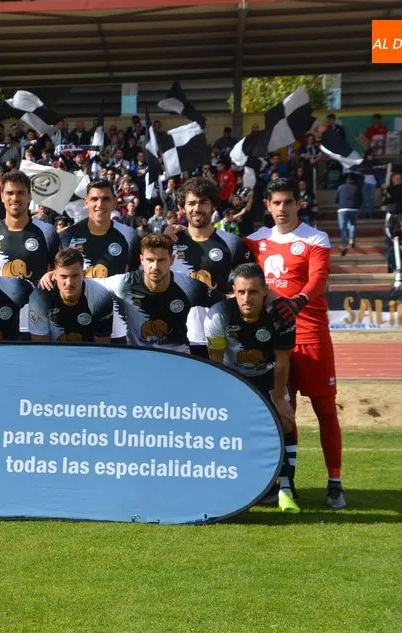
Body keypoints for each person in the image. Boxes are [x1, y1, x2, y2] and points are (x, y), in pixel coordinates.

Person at [244, 178, 346, 509]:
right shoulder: (255, 241)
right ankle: (288, 484)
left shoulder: (315, 238)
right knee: (283, 412)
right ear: (267, 206)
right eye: (277, 203)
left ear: (298, 204)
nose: (282, 209)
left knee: (325, 410)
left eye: (288, 202)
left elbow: (319, 278)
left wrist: (299, 300)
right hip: (274, 341)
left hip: (311, 336)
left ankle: (334, 482)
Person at [205, 263, 299, 513]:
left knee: (285, 421)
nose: (247, 298)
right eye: (241, 292)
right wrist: (223, 397)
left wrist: (279, 399)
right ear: (233, 292)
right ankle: (241, 484)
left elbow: (282, 361)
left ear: (265, 291)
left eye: (253, 292)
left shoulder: (281, 315)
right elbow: (216, 361)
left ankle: (286, 488)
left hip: (268, 375)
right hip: (234, 376)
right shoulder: (218, 315)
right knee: (230, 426)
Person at [50, 233, 220, 352]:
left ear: (171, 260)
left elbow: (223, 303)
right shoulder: (124, 284)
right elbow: (84, 282)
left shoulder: (188, 286)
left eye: (161, 260)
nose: (155, 266)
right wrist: (53, 275)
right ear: (141, 260)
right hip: (139, 357)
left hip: (178, 357)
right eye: (150, 260)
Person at [166, 177, 249, 357]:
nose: (196, 208)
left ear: (213, 206)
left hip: (219, 338)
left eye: (203, 202)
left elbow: (250, 286)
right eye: (191, 203)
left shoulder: (231, 242)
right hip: (176, 338)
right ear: (182, 207)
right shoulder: (170, 241)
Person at [0, 170, 59, 339]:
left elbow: (61, 270)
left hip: (36, 324)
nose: (15, 198)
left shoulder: (47, 232)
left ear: (30, 196)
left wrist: (53, 274)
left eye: (21, 192)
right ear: (1, 196)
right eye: (10, 193)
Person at [58, 179, 140, 344]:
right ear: (86, 202)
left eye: (106, 199)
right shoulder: (68, 236)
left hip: (116, 325)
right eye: (94, 199)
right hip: (76, 321)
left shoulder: (129, 236)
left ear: (115, 203)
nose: (99, 204)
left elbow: (134, 277)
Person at [29, 248, 113, 343]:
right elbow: (41, 349)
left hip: (89, 354)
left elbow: (102, 348)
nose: (69, 283)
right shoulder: (40, 297)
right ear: (55, 275)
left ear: (84, 274)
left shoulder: (100, 297)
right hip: (52, 354)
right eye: (63, 276)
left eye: (75, 276)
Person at [335, 172, 363, 255]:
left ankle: (344, 245)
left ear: (346, 180)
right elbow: (361, 200)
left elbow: (336, 199)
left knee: (343, 227)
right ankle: (351, 240)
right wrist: (357, 207)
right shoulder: (357, 188)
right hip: (353, 209)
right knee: (352, 224)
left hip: (342, 209)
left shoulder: (340, 187)